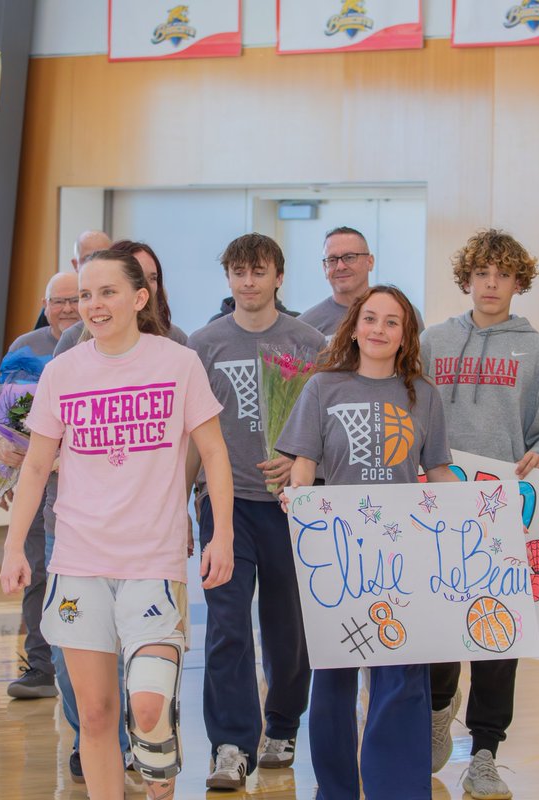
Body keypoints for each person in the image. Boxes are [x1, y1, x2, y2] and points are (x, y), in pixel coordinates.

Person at [0, 249, 235, 800]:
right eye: (85, 294)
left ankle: (160, 782)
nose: (94, 305)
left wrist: (220, 533)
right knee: (98, 717)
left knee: (149, 709)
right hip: (79, 562)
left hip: (151, 561)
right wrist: (15, 548)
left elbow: (215, 454)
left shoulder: (177, 363)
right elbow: (35, 466)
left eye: (107, 292)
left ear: (139, 298)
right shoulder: (62, 371)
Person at [277, 285, 455, 800]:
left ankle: (395, 789)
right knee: (333, 678)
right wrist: (299, 499)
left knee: (401, 673)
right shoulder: (323, 388)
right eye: (370, 318)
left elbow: (437, 467)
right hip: (337, 552)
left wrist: (484, 519)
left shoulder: (422, 392)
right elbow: (304, 462)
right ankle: (334, 790)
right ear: (354, 326)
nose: (378, 329)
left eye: (391, 322)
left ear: (406, 335)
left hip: (402, 555)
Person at [421, 230, 539, 799]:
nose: (491, 284)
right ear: (467, 279)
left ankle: (484, 751)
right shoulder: (434, 341)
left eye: (503, 275)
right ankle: (438, 710)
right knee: (437, 630)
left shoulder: (535, 351)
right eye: (482, 273)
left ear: (518, 282)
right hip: (439, 509)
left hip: (506, 512)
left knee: (496, 636)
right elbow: (413, 416)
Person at [187, 234, 322, 789]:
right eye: (238, 272)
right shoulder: (203, 344)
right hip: (226, 506)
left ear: (278, 277)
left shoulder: (310, 342)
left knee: (288, 630)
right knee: (226, 626)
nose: (248, 281)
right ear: (228, 279)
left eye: (258, 271)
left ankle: (283, 724)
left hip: (291, 508)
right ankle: (230, 744)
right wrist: (182, 501)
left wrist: (300, 464)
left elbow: (323, 425)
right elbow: (192, 434)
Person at [1, 270, 80, 701]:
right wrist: (4, 451)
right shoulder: (23, 349)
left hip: (82, 487)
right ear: (45, 305)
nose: (66, 308)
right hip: (36, 485)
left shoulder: (94, 344)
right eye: (58, 301)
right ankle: (40, 665)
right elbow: (2, 414)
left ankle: (78, 664)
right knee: (34, 573)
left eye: (74, 299)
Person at [55, 240, 188, 352]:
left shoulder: (175, 339)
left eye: (152, 278)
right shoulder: (73, 339)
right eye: (138, 276)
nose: (145, 286)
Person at [299, 227, 423, 338]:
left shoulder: (404, 313)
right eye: (332, 260)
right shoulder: (305, 325)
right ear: (324, 268)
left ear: (370, 262)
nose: (340, 266)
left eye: (349, 257)